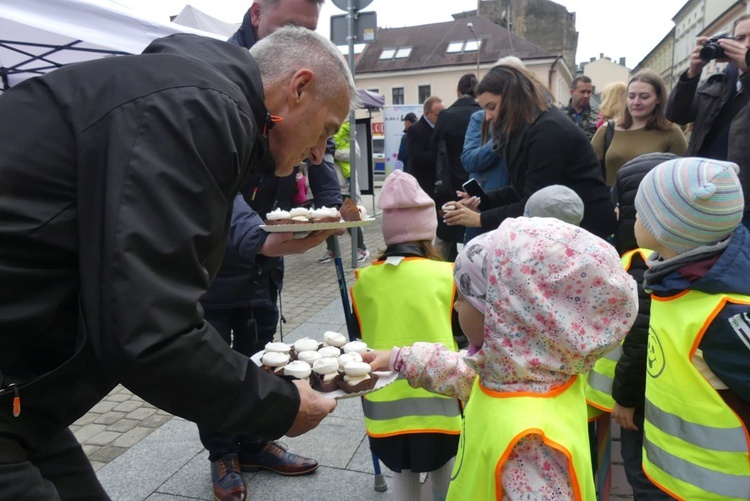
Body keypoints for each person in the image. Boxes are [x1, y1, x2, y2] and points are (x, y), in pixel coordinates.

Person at [0, 26, 354, 499]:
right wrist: (282, 406)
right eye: (326, 129)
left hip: (20, 392)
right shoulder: (197, 109)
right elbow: (150, 332)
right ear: (299, 87)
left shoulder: (194, 100)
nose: (318, 152)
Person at [363, 217, 638, 500]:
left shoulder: (531, 444)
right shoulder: (532, 374)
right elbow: (461, 372)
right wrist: (398, 358)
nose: (455, 304)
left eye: (465, 298)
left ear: (506, 318)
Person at [633, 157, 750, 499]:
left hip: (718, 489)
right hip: (675, 476)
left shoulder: (726, 316)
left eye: (642, 212)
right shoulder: (671, 277)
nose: (632, 216)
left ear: (667, 229)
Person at [349, 170, 461, 501]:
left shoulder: (363, 280)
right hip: (441, 399)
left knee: (404, 476)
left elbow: (359, 334)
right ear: (429, 229)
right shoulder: (448, 275)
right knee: (446, 476)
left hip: (384, 407)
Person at [585, 152, 679, 501]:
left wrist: (623, 398)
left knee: (640, 471)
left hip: (637, 400)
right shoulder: (668, 263)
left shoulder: (642, 270)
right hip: (666, 394)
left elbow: (638, 344)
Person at [443, 65, 615, 241]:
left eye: (492, 107)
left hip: (585, 228)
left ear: (513, 99)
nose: (487, 117)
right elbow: (523, 190)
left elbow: (535, 203)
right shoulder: (529, 127)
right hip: (566, 226)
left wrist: (481, 219)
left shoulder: (547, 131)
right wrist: (484, 199)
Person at [665, 14, 750, 227]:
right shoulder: (719, 82)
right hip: (702, 193)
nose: (746, 44)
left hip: (742, 200)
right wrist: (692, 72)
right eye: (739, 38)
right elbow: (676, 114)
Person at [592, 70, 687, 186]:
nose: (636, 102)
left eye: (644, 97)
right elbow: (587, 171)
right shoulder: (607, 130)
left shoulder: (672, 132)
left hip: (653, 202)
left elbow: (682, 176)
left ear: (658, 99)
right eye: (631, 96)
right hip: (612, 202)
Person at [432, 73, 481, 261]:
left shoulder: (445, 116)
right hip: (477, 187)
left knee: (445, 238)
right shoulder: (484, 114)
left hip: (449, 185)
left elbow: (434, 150)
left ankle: (436, 281)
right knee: (476, 237)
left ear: (458, 91)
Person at [319, 120, 371, 263]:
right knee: (327, 219)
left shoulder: (346, 134)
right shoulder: (320, 133)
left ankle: (362, 248)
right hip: (326, 186)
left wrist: (334, 152)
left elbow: (355, 154)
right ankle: (332, 250)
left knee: (350, 219)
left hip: (345, 185)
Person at [405, 96, 445, 197]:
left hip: (441, 184)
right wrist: (441, 155)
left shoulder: (442, 128)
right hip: (424, 185)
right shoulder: (414, 130)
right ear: (427, 114)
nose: (442, 118)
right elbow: (417, 158)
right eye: (438, 115)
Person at [561, 75, 598, 140]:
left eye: (589, 92)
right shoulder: (560, 115)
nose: (586, 96)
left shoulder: (597, 116)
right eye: (582, 92)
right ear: (572, 92)